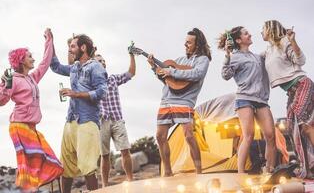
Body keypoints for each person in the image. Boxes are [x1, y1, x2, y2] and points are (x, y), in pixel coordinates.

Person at [0, 28, 63, 192]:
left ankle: (30, 189)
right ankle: (29, 189)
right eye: (29, 56)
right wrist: (6, 86)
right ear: (21, 60)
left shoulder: (31, 78)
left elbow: (45, 62)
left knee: (46, 160)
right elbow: (2, 101)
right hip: (19, 126)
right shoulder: (12, 79)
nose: (32, 58)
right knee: (32, 164)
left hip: (31, 127)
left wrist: (49, 40)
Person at [147, 28, 211, 176]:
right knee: (160, 136)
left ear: (198, 44)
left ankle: (199, 172)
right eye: (185, 42)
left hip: (185, 100)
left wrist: (172, 71)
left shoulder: (203, 60)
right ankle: (168, 172)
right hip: (167, 100)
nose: (185, 44)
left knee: (189, 135)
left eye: (189, 42)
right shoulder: (180, 60)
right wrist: (153, 67)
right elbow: (168, 80)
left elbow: (196, 74)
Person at [50, 34, 107, 192]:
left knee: (88, 166)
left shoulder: (95, 67)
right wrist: (50, 42)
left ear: (83, 48)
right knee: (66, 166)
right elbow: (55, 66)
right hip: (71, 121)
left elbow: (102, 92)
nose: (70, 49)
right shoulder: (74, 67)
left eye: (73, 46)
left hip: (88, 122)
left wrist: (76, 94)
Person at [218, 26, 277, 173]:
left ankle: (270, 170)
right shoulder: (234, 57)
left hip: (262, 100)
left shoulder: (259, 57)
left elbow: (273, 53)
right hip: (244, 99)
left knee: (270, 135)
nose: (250, 34)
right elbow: (225, 75)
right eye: (246, 33)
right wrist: (227, 54)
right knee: (248, 135)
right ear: (238, 40)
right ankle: (241, 172)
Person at [261, 20, 314, 178]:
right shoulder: (268, 50)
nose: (260, 32)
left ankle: (309, 166)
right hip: (291, 91)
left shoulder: (284, 42)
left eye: (262, 29)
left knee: (301, 123)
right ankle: (309, 165)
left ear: (270, 29)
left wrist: (293, 41)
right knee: (292, 126)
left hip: (302, 84)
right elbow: (253, 58)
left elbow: (300, 60)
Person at [95, 53, 135, 187]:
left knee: (125, 150)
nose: (102, 62)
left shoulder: (113, 79)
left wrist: (131, 56)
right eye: (99, 60)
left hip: (117, 119)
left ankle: (131, 180)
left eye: (103, 60)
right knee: (105, 155)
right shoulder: (91, 83)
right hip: (101, 122)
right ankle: (105, 186)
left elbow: (131, 73)